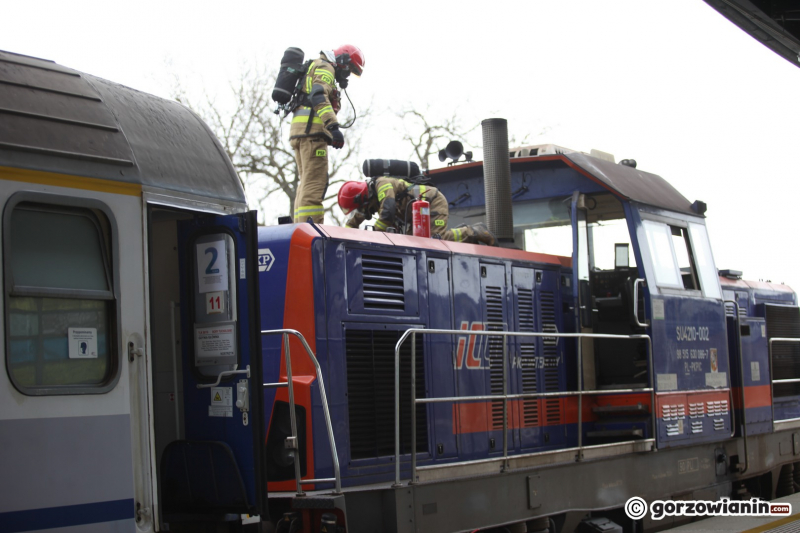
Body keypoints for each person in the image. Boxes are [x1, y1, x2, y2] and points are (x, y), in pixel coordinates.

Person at [290, 45, 365, 223]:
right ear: (343, 61)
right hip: (312, 135)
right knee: (315, 185)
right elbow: (318, 95)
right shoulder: (326, 67)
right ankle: (312, 231)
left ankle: (300, 227)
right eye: (349, 70)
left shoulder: (315, 65)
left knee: (305, 184)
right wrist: (333, 127)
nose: (347, 75)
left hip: (302, 133)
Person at [338, 178, 498, 246]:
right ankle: (464, 233)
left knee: (436, 240)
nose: (361, 212)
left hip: (431, 201)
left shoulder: (382, 185)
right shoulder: (367, 201)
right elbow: (354, 221)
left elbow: (387, 213)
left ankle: (474, 231)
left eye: (358, 208)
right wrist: (342, 237)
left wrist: (373, 235)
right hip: (415, 213)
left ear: (362, 198)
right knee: (415, 245)